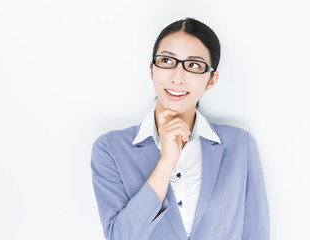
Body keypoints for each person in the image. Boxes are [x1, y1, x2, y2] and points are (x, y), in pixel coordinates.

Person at [91, 17, 270, 240]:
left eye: (194, 65)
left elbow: (256, 233)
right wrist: (166, 163)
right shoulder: (111, 149)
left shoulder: (240, 145)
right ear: (152, 69)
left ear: (211, 79)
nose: (177, 77)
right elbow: (119, 237)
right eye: (167, 61)